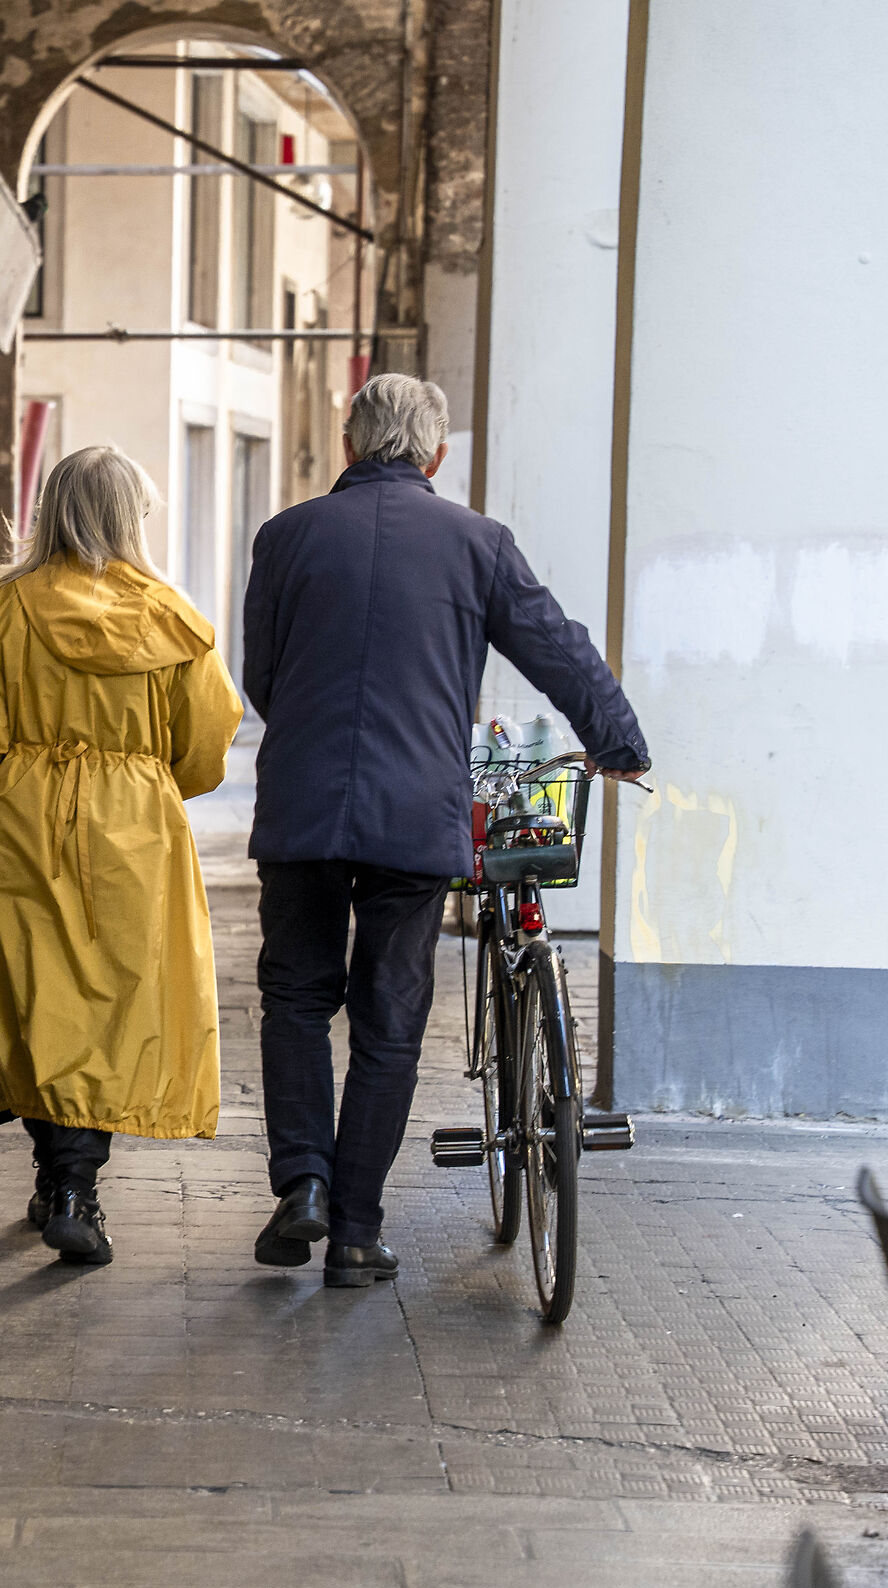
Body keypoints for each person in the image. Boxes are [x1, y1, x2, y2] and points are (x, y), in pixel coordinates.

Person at [238, 374, 649, 1287]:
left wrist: (314, 735)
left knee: (298, 998)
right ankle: (353, 1229)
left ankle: (300, 1181)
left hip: (304, 807)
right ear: (436, 455)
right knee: (389, 1020)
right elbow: (559, 648)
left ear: (348, 445)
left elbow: (260, 677)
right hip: (415, 812)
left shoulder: (286, 537)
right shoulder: (479, 544)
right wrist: (615, 741)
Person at [0, 445, 242, 1264]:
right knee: (110, 1010)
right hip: (136, 832)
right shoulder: (171, 615)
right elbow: (208, 742)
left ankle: (59, 1176)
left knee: (36, 1004)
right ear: (130, 517)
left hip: (25, 825)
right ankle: (74, 1185)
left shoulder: (8, 609)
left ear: (50, 510)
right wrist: (146, 782)